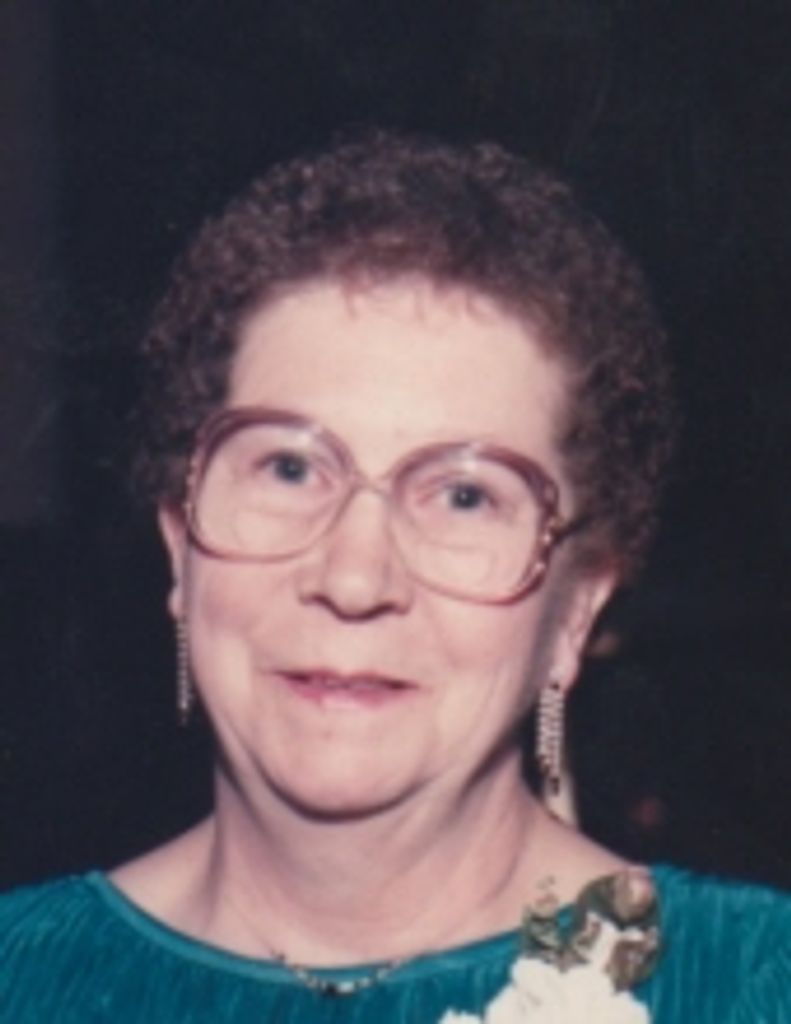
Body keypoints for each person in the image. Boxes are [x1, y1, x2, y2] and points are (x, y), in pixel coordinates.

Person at [1, 131, 788, 1022]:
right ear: (181, 546)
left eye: (463, 496)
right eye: (290, 469)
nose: (354, 578)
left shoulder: (756, 987)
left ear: (575, 608)